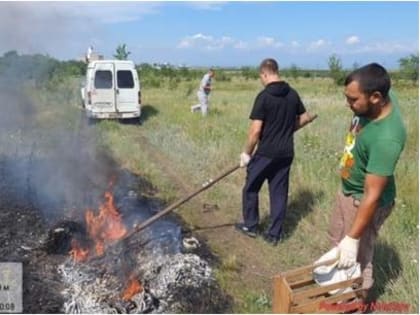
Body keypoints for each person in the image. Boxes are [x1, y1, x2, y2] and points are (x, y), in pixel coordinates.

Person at [322, 63, 406, 298]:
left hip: (363, 201)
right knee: (338, 242)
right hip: (349, 192)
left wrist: (353, 237)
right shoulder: (377, 99)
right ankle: (338, 291)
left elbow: (373, 195)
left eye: (353, 100)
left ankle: (355, 301)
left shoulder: (386, 138)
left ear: (376, 98)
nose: (348, 104)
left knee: (357, 258)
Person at [235, 58, 317, 246]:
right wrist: (288, 129)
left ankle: (251, 225)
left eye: (261, 77)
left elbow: (255, 131)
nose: (261, 81)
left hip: (265, 153)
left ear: (265, 73)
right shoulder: (292, 94)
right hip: (286, 153)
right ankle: (274, 235)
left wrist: (246, 153)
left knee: (251, 188)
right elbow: (304, 118)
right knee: (279, 193)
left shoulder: (263, 97)